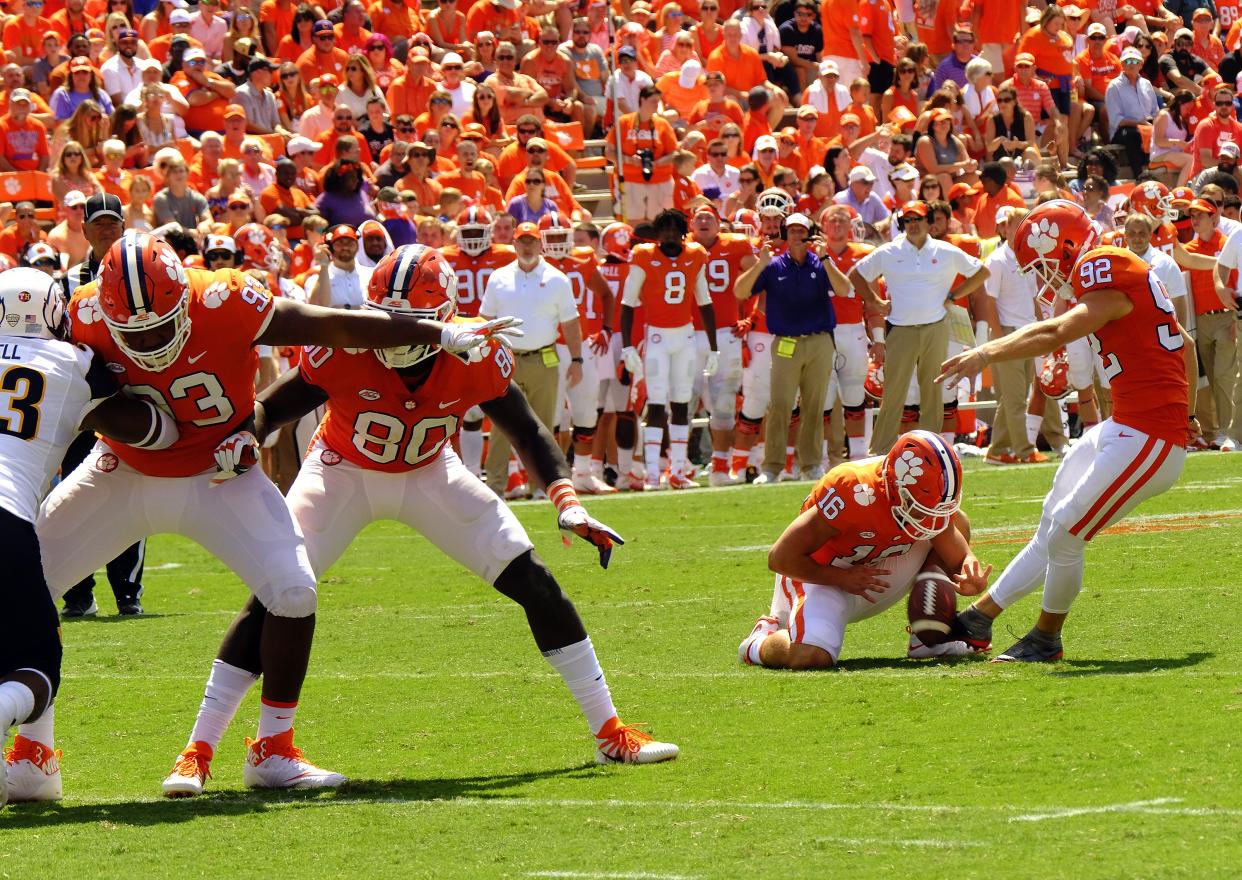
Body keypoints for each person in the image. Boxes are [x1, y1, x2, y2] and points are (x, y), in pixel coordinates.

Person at [8, 232, 522, 801]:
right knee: (25, 592)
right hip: (121, 471)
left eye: (161, 326)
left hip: (219, 471)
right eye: (137, 334)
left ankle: (273, 750)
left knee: (294, 590)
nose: (152, 342)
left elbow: (335, 325)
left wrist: (437, 331)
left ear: (185, 296)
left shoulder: (227, 299)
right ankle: (33, 755)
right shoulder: (82, 316)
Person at [940, 200, 1195, 662]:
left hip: (1150, 432)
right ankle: (980, 616)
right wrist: (1190, 415)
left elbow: (1057, 331)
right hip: (1130, 423)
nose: (1042, 277)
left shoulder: (1102, 265)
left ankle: (1045, 636)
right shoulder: (1121, 263)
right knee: (1053, 521)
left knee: (1066, 533)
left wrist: (984, 353)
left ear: (1065, 248)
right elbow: (1188, 343)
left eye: (1041, 264)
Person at [0, 267, 184, 807]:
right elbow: (158, 430)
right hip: (6, 516)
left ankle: (28, 770)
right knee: (36, 668)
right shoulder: (75, 364)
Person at [737, 431, 992, 668]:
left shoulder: (921, 500)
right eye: (920, 507)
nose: (932, 520)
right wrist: (840, 577)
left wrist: (969, 570)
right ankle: (758, 642)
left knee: (957, 520)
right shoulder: (853, 490)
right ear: (896, 488)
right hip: (823, 573)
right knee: (811, 656)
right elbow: (780, 558)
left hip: (875, 568)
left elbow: (956, 551)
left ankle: (927, 638)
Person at [850, 200, 990, 455]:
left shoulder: (946, 251)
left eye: (917, 219)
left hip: (936, 326)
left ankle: (931, 451)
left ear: (929, 222)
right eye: (908, 220)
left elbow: (981, 272)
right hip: (900, 328)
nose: (912, 225)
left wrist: (954, 294)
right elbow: (856, 275)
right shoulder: (890, 251)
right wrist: (875, 301)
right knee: (894, 391)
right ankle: (879, 451)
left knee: (932, 390)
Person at [734, 210, 848, 483]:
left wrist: (826, 258)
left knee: (815, 405)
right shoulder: (774, 266)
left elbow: (844, 290)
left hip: (820, 340)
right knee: (781, 404)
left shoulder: (820, 263)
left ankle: (810, 464)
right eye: (793, 230)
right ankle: (772, 467)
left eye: (802, 230)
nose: (798, 235)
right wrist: (760, 264)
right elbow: (740, 291)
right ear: (786, 234)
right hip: (786, 341)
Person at [479, 222, 580, 499]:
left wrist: (578, 358)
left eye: (532, 241)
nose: (527, 246)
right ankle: (496, 487)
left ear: (540, 244)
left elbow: (570, 322)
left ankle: (543, 487)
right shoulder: (498, 277)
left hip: (542, 358)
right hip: (505, 358)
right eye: (522, 241)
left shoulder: (558, 278)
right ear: (513, 243)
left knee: (543, 425)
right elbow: (486, 320)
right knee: (501, 426)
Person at [607, 85, 679, 225]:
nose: (656, 105)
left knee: (660, 223)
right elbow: (609, 152)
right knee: (634, 224)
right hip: (630, 180)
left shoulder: (662, 124)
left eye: (658, 102)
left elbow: (674, 153)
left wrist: (657, 163)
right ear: (642, 100)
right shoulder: (624, 122)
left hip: (660, 181)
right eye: (653, 101)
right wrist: (629, 160)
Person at [1106, 47, 1160, 176]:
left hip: (1147, 126)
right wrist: (1140, 123)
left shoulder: (1146, 84)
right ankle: (1140, 174)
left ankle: (1154, 168)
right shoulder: (1114, 86)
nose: (1131, 65)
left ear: (1141, 65)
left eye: (1135, 62)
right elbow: (1116, 120)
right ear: (1122, 65)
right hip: (1123, 131)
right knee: (1134, 134)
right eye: (1127, 62)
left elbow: (1155, 112)